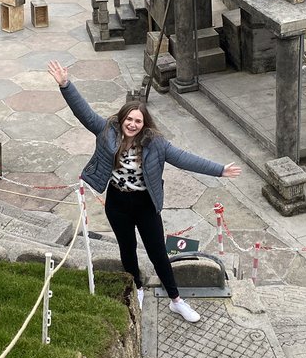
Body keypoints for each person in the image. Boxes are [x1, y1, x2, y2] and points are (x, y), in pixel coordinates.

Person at [48, 59, 241, 322]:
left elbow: (185, 158)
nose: (132, 124)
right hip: (117, 202)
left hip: (146, 204)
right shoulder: (106, 131)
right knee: (127, 249)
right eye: (129, 118)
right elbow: (83, 112)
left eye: (138, 121)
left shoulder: (156, 143)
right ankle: (137, 288)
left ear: (144, 124)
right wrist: (65, 85)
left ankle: (176, 299)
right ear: (121, 119)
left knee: (158, 252)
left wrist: (219, 170)